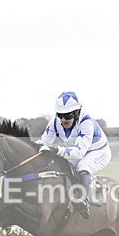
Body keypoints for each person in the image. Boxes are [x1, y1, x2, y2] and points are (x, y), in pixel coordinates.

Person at [38, 91, 111, 219]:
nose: (63, 120)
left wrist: (56, 150)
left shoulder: (86, 122)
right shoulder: (55, 122)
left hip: (98, 151)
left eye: (67, 116)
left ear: (76, 113)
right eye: (60, 115)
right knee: (61, 165)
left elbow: (79, 152)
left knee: (83, 166)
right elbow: (42, 142)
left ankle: (83, 199)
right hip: (78, 150)